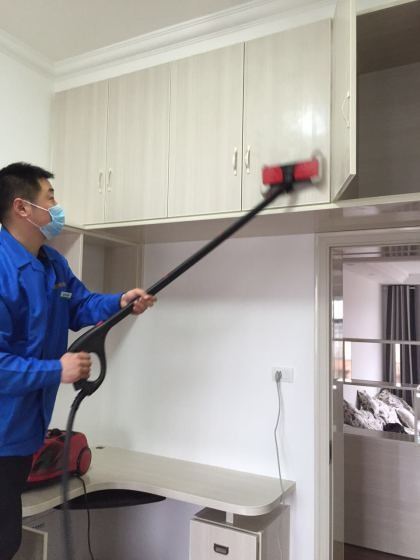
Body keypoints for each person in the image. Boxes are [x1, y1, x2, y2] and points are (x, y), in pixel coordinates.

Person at [0, 162, 156, 559]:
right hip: (2, 436)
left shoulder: (53, 263)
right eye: (50, 198)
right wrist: (58, 369)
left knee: (7, 538)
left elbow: (81, 304)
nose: (57, 207)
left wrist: (120, 302)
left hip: (23, 435)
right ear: (22, 207)